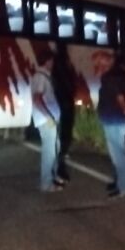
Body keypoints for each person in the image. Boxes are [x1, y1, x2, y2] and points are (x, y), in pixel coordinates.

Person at [97, 53, 125, 199]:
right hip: (118, 119)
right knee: (119, 153)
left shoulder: (110, 78)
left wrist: (124, 106)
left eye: (101, 63)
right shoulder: (121, 76)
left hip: (113, 119)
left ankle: (124, 188)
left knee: (118, 156)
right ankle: (121, 185)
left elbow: (118, 96)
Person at [31, 49, 63, 192]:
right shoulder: (41, 77)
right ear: (47, 61)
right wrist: (48, 116)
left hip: (49, 118)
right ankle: (46, 183)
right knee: (49, 151)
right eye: (52, 60)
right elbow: (37, 99)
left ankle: (53, 177)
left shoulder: (44, 76)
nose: (53, 63)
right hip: (46, 120)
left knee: (55, 148)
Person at [52, 43, 76, 182]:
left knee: (62, 137)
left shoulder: (58, 66)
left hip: (62, 103)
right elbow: (67, 84)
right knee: (63, 137)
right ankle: (59, 170)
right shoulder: (62, 66)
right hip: (64, 103)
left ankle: (59, 169)